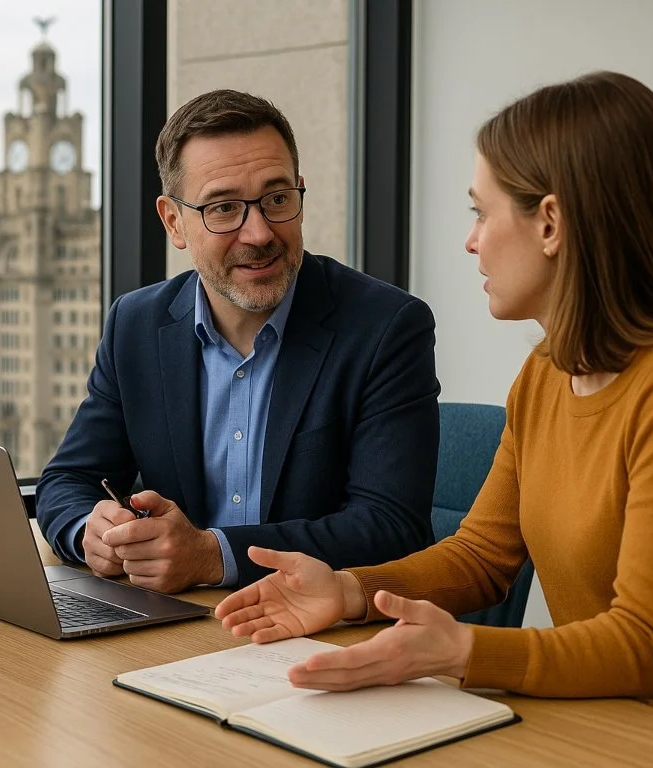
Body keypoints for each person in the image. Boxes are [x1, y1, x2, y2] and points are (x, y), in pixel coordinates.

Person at [216, 71, 653, 700]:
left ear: (551, 224)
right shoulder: (546, 374)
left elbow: (647, 643)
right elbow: (481, 555)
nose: (471, 239)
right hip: (602, 725)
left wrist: (463, 652)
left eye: (482, 212)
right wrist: (348, 591)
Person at [36, 89, 440, 594]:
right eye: (225, 208)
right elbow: (66, 480)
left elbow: (392, 528)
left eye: (277, 199)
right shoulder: (135, 324)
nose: (259, 232)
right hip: (173, 627)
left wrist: (211, 557)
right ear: (173, 222)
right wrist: (87, 533)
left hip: (313, 634)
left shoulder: (386, 327)